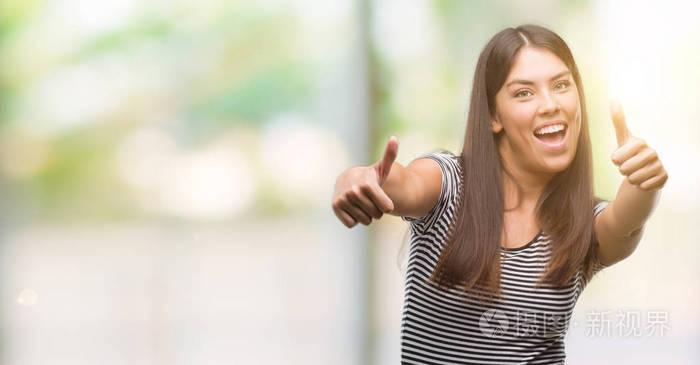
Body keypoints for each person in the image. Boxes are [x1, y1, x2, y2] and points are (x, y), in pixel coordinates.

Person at [331, 24, 667, 364]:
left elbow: (626, 220)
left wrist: (645, 184)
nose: (550, 104)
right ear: (494, 115)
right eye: (524, 93)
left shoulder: (583, 223)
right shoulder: (450, 183)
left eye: (561, 85)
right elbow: (405, 183)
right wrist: (355, 179)